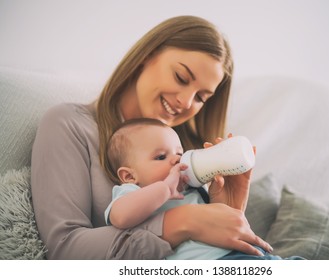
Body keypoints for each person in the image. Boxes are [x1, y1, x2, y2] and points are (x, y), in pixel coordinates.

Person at [31, 15, 269, 259]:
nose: (186, 102)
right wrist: (179, 222)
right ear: (147, 55)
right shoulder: (71, 125)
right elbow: (64, 249)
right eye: (181, 77)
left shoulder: (190, 154)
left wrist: (230, 210)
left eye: (200, 98)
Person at [104, 118, 303, 260]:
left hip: (248, 254)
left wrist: (220, 197)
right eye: (161, 157)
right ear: (129, 176)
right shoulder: (133, 192)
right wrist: (164, 188)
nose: (176, 159)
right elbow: (121, 218)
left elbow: (222, 222)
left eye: (179, 153)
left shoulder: (192, 187)